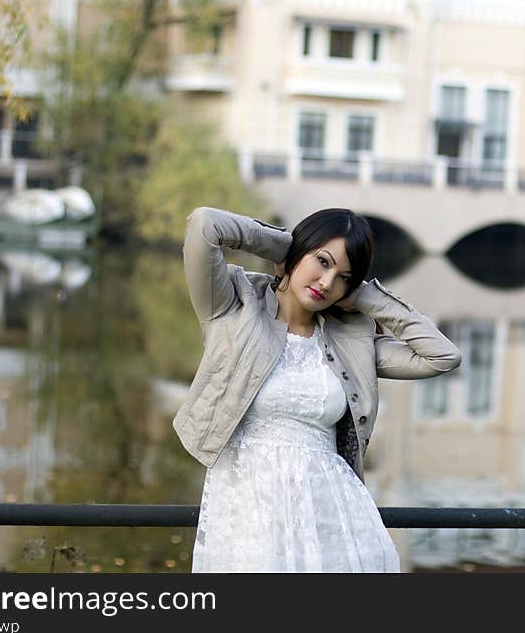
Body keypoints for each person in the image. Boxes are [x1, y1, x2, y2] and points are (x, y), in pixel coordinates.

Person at [175, 206, 462, 572]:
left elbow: (442, 356)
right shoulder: (232, 305)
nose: (327, 283)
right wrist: (287, 247)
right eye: (321, 262)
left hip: (331, 515)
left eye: (344, 277)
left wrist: (367, 297)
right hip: (248, 512)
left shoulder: (350, 340)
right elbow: (205, 224)